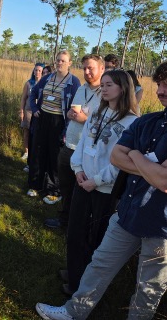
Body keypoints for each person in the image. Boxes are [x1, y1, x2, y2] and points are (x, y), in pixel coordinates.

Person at [35, 62, 167, 320]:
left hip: (161, 226)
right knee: (99, 264)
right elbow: (118, 156)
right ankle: (74, 312)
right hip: (128, 213)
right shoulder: (150, 121)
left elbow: (163, 181)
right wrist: (147, 163)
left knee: (148, 288)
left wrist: (135, 157)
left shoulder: (134, 120)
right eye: (159, 85)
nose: (160, 91)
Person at [64, 70, 138, 296]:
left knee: (95, 235)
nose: (103, 89)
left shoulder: (131, 122)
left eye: (109, 85)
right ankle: (73, 272)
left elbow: (120, 162)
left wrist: (96, 181)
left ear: (123, 88)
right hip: (82, 180)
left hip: (104, 189)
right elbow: (83, 143)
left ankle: (85, 282)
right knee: (75, 229)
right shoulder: (97, 112)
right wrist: (77, 169)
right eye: (102, 85)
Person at [44, 54, 104, 230]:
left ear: (101, 69)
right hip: (69, 144)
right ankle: (64, 220)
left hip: (86, 150)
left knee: (81, 191)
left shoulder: (106, 92)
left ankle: (77, 225)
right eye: (84, 68)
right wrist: (76, 116)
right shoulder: (81, 88)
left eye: (90, 68)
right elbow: (73, 112)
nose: (86, 71)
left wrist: (83, 118)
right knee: (65, 186)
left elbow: (103, 123)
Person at [28, 51, 80, 203]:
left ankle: (53, 190)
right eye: (58, 60)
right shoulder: (47, 78)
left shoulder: (73, 82)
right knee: (38, 152)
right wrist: (35, 109)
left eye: (63, 61)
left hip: (59, 122)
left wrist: (66, 129)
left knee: (54, 156)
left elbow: (75, 107)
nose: (60, 63)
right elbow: (33, 95)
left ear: (70, 63)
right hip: (43, 119)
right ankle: (35, 185)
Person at [19, 63, 44, 161]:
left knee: (37, 133)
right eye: (35, 70)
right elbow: (23, 98)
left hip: (40, 112)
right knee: (27, 132)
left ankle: (36, 152)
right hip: (28, 111)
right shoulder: (29, 83)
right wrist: (21, 111)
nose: (37, 72)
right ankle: (26, 152)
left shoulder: (44, 83)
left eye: (39, 71)